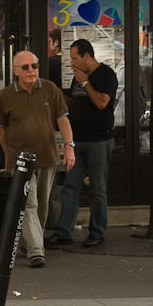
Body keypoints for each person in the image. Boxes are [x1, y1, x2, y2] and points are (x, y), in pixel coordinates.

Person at [0, 48, 74, 268]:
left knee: (42, 205)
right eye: (25, 67)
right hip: (20, 159)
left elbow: (63, 120)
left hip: (47, 156)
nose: (31, 70)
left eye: (35, 66)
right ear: (15, 71)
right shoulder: (6, 95)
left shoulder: (50, 89)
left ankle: (30, 240)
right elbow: (1, 128)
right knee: (29, 203)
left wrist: (69, 147)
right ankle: (36, 251)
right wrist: (7, 155)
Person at [50, 37, 119, 248]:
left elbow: (101, 102)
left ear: (86, 56)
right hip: (76, 139)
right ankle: (64, 232)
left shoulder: (106, 74)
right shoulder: (78, 77)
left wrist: (85, 83)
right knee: (71, 186)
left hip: (98, 140)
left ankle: (97, 231)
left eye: (74, 58)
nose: (71, 63)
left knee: (98, 187)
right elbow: (75, 100)